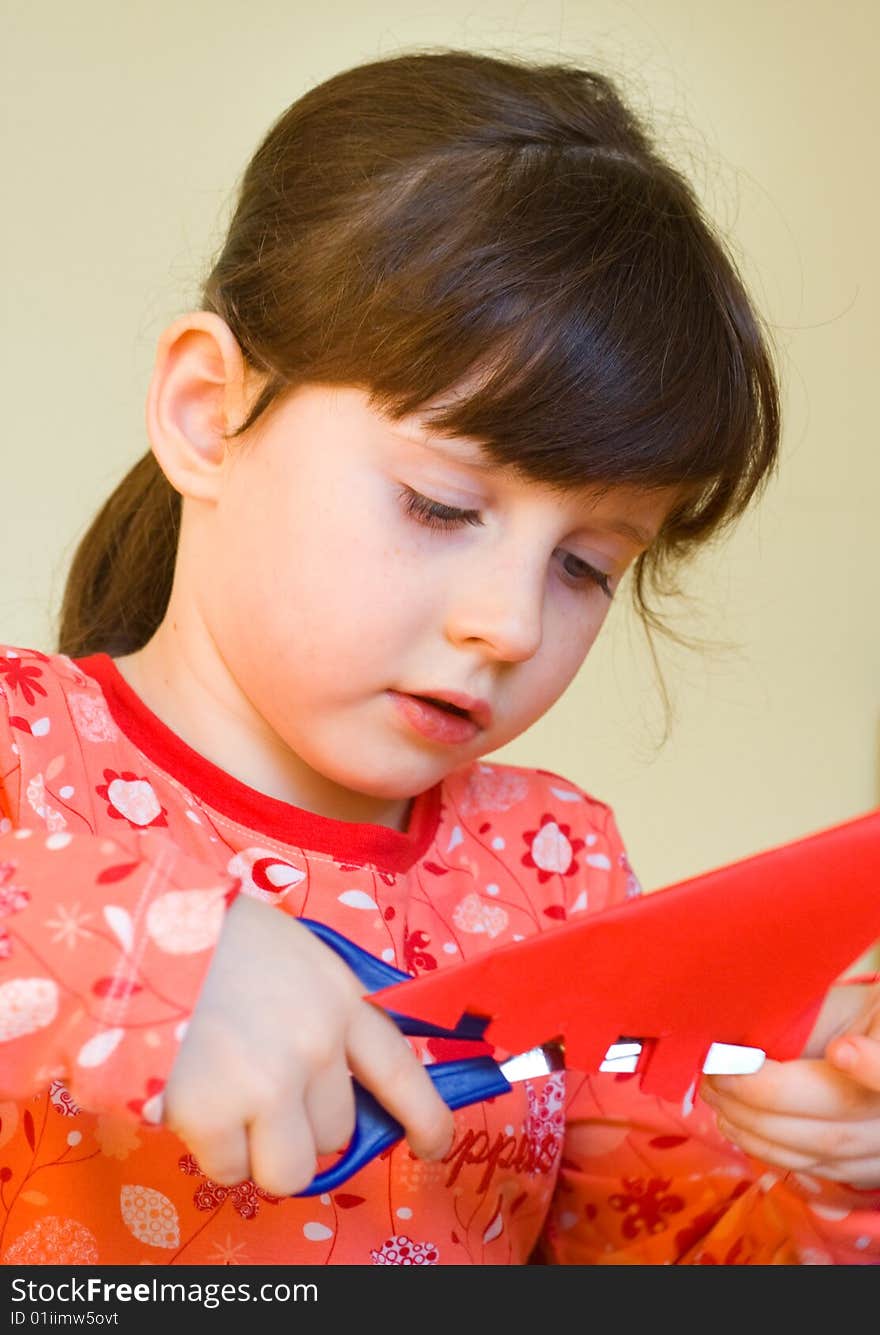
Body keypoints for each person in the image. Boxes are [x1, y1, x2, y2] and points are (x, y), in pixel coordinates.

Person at [0, 47, 877, 1267]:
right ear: (207, 414)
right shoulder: (21, 753)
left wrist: (829, 1187)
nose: (508, 625)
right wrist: (173, 951)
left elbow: (644, 1255)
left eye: (585, 565)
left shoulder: (554, 873)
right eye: (438, 506)